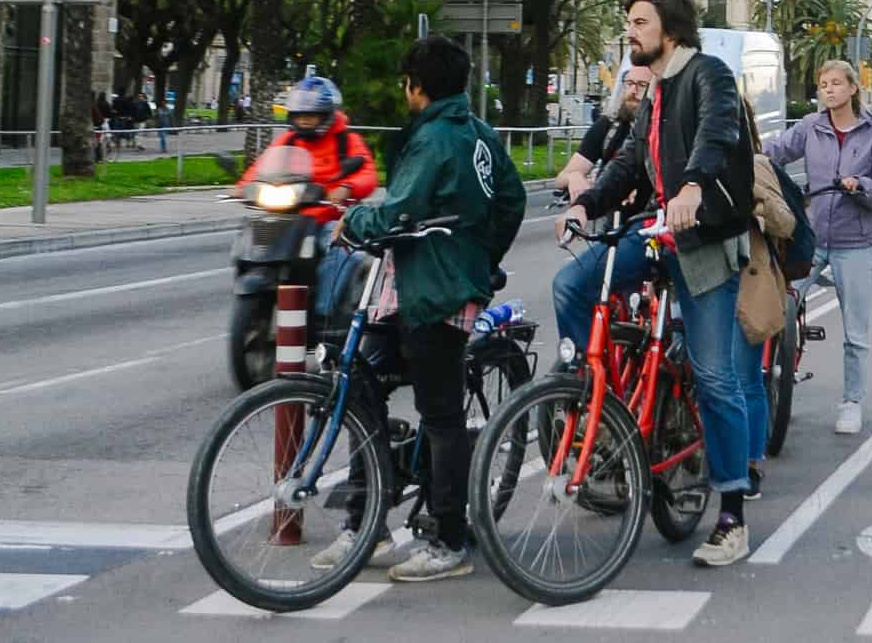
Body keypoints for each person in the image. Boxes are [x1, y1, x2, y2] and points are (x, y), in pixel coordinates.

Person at [323, 34, 520, 583]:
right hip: (419, 285)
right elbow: (512, 201)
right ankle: (368, 520)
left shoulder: (432, 139)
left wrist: (353, 222)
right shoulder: (480, 136)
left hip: (434, 290)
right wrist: (484, 257)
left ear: (417, 87)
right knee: (362, 384)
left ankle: (448, 538)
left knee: (439, 415)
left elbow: (398, 210)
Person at [574, 0, 760, 567]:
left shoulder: (710, 76)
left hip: (702, 239)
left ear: (670, 31)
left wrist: (692, 186)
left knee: (714, 378)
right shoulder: (651, 93)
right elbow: (631, 159)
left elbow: (716, 134)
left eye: (639, 22)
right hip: (657, 230)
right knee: (573, 286)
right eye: (627, 21)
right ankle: (600, 406)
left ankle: (732, 513)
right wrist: (589, 200)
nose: (630, 31)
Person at [766, 60, 872, 440]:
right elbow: (775, 152)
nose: (829, 90)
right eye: (823, 84)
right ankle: (775, 379)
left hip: (854, 243)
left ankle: (852, 403)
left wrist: (862, 187)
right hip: (810, 238)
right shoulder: (810, 126)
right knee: (776, 309)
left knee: (855, 331)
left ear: (853, 88)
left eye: (837, 83)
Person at [550, 63, 655, 354]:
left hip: (651, 230)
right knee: (584, 290)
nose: (632, 92)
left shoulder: (660, 128)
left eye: (641, 86)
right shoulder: (608, 128)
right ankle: (584, 378)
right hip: (611, 228)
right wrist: (576, 182)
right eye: (628, 83)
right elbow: (571, 172)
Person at [234, 75, 378, 220]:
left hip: (332, 213)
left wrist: (347, 188)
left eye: (310, 115)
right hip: (290, 208)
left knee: (331, 239)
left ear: (326, 115)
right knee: (257, 233)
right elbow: (261, 165)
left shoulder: (349, 140)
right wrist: (243, 186)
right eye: (298, 115)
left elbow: (368, 174)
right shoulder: (289, 139)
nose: (303, 120)